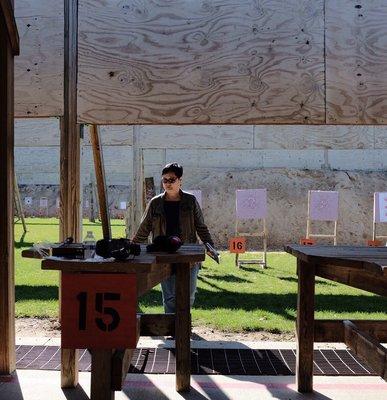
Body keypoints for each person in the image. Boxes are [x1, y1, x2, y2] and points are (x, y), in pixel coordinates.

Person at [132, 162, 214, 313]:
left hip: (188, 255)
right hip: (164, 255)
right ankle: (171, 329)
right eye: (165, 180)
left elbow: (201, 226)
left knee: (188, 295)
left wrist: (210, 246)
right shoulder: (155, 203)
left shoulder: (190, 201)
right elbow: (144, 229)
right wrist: (132, 247)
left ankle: (183, 326)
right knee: (169, 297)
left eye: (172, 179)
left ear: (180, 180)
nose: (168, 183)